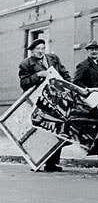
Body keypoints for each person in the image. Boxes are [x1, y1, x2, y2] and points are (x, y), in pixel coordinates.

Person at [18, 38, 72, 172]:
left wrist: (70, 87)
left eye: (43, 48)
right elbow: (24, 83)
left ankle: (52, 163)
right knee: (43, 131)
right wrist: (38, 75)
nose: (41, 51)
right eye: (38, 49)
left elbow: (64, 74)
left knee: (57, 129)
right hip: (41, 102)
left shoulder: (53, 58)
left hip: (57, 100)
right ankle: (40, 160)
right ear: (32, 51)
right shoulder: (25, 64)